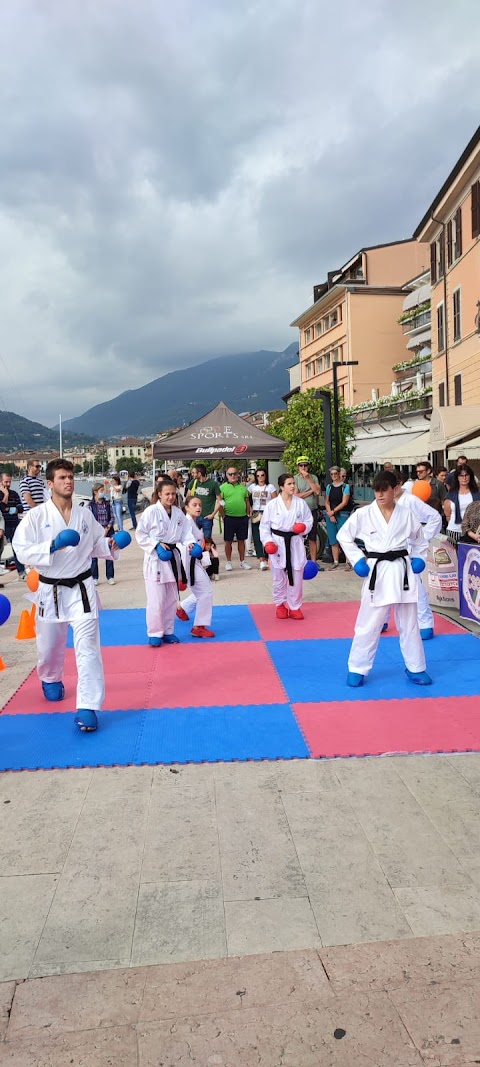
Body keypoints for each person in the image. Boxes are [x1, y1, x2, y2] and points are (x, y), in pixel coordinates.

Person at [13, 458, 121, 732]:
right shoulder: (36, 517)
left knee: (88, 650)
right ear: (50, 484)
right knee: (49, 647)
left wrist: (110, 545)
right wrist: (53, 545)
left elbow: (95, 543)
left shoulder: (84, 514)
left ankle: (88, 706)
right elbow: (21, 550)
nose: (69, 481)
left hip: (82, 589)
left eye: (70, 477)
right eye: (62, 477)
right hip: (50, 591)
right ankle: (50, 678)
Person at [337, 470, 431, 688]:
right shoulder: (364, 514)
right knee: (369, 623)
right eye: (376, 491)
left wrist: (418, 558)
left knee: (409, 623)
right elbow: (344, 535)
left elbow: (419, 540)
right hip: (377, 572)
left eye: (384, 490)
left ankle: (416, 667)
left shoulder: (406, 513)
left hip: (401, 570)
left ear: (394, 489)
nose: (379, 495)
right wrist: (358, 560)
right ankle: (357, 667)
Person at [382, 474, 441, 640]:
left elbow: (435, 517)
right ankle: (382, 620)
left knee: (415, 585)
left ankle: (425, 624)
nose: (389, 491)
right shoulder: (386, 502)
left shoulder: (411, 500)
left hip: (409, 549)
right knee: (386, 583)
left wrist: (423, 537)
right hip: (389, 548)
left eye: (392, 487)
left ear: (399, 485)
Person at [135, 477, 192, 646]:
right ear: (159, 494)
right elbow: (140, 534)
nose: (171, 497)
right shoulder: (151, 511)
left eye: (173, 494)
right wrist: (156, 545)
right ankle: (155, 633)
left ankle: (168, 631)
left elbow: (186, 533)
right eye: (167, 494)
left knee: (171, 600)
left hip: (172, 559)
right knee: (156, 600)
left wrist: (190, 545)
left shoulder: (178, 513)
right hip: (156, 560)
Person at [260, 473, 313, 620]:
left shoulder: (300, 503)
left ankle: (295, 606)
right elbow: (264, 527)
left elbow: (309, 520)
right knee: (279, 577)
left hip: (295, 542)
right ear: (281, 487)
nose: (292, 486)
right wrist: (268, 542)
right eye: (289, 484)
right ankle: (280, 605)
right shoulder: (272, 505)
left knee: (296, 574)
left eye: (293, 483)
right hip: (278, 543)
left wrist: (303, 527)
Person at [175, 495, 215, 638]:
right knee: (206, 591)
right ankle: (199, 626)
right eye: (194, 505)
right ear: (186, 507)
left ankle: (182, 608)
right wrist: (183, 574)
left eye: (200, 505)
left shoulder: (193, 522)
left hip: (195, 561)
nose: (198, 507)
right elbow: (182, 545)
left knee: (204, 590)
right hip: (188, 563)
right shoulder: (185, 522)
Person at [218, 466, 251, 571]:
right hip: (229, 518)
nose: (232, 476)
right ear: (226, 475)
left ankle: (242, 561)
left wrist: (248, 514)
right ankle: (229, 562)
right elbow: (220, 503)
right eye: (230, 474)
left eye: (234, 473)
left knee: (242, 540)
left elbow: (247, 501)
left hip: (242, 518)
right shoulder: (222, 487)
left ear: (238, 475)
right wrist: (223, 516)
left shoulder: (243, 487)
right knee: (228, 541)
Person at [294, 457, 324, 571]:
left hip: (312, 510)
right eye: (301, 465)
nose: (303, 467)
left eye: (305, 465)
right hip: (299, 512)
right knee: (299, 536)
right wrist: (311, 491)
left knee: (313, 536)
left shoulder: (313, 477)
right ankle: (300, 561)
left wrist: (308, 479)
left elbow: (317, 492)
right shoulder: (295, 479)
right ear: (298, 467)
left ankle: (314, 562)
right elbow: (297, 496)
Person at [443, 464, 480, 546]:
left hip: (473, 533)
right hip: (454, 530)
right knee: (454, 557)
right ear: (457, 477)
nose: (464, 478)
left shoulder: (477, 494)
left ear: (470, 476)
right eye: (461, 475)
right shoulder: (451, 494)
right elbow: (447, 515)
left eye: (466, 475)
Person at [248, 468, 277, 570]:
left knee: (269, 535)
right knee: (257, 536)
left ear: (266, 476)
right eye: (258, 475)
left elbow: (275, 500)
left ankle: (269, 557)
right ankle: (261, 559)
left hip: (267, 512)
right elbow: (245, 497)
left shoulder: (270, 487)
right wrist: (250, 508)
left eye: (262, 475)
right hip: (256, 512)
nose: (260, 477)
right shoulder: (252, 487)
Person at [88, 484, 116, 585]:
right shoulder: (90, 505)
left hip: (108, 531)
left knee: (109, 554)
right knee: (93, 556)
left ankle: (110, 576)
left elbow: (112, 517)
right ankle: (94, 577)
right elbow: (89, 520)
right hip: (95, 533)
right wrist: (99, 530)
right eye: (101, 490)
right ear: (95, 492)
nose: (103, 492)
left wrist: (107, 528)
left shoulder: (107, 503)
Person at [185, 463, 221, 540]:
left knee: (207, 540)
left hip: (207, 517)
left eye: (194, 473)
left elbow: (220, 501)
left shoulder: (213, 484)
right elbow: (188, 497)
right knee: (192, 538)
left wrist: (213, 514)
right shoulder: (194, 482)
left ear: (200, 473)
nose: (192, 474)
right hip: (194, 516)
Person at [324, 466, 351, 569]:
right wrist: (330, 513)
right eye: (332, 474)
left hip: (342, 513)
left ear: (339, 474)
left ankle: (348, 561)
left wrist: (333, 512)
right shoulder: (329, 487)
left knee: (344, 537)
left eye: (336, 473)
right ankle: (336, 561)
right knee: (333, 538)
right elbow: (327, 501)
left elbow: (344, 502)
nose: (334, 476)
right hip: (331, 513)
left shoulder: (345, 486)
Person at [0, 472, 25, 579]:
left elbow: (20, 508)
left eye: (10, 481)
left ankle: (21, 573)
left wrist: (7, 509)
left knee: (17, 549)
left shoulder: (14, 494)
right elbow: (1, 507)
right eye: (6, 482)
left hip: (14, 524)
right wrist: (5, 495)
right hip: (2, 526)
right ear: (0, 482)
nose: (8, 484)